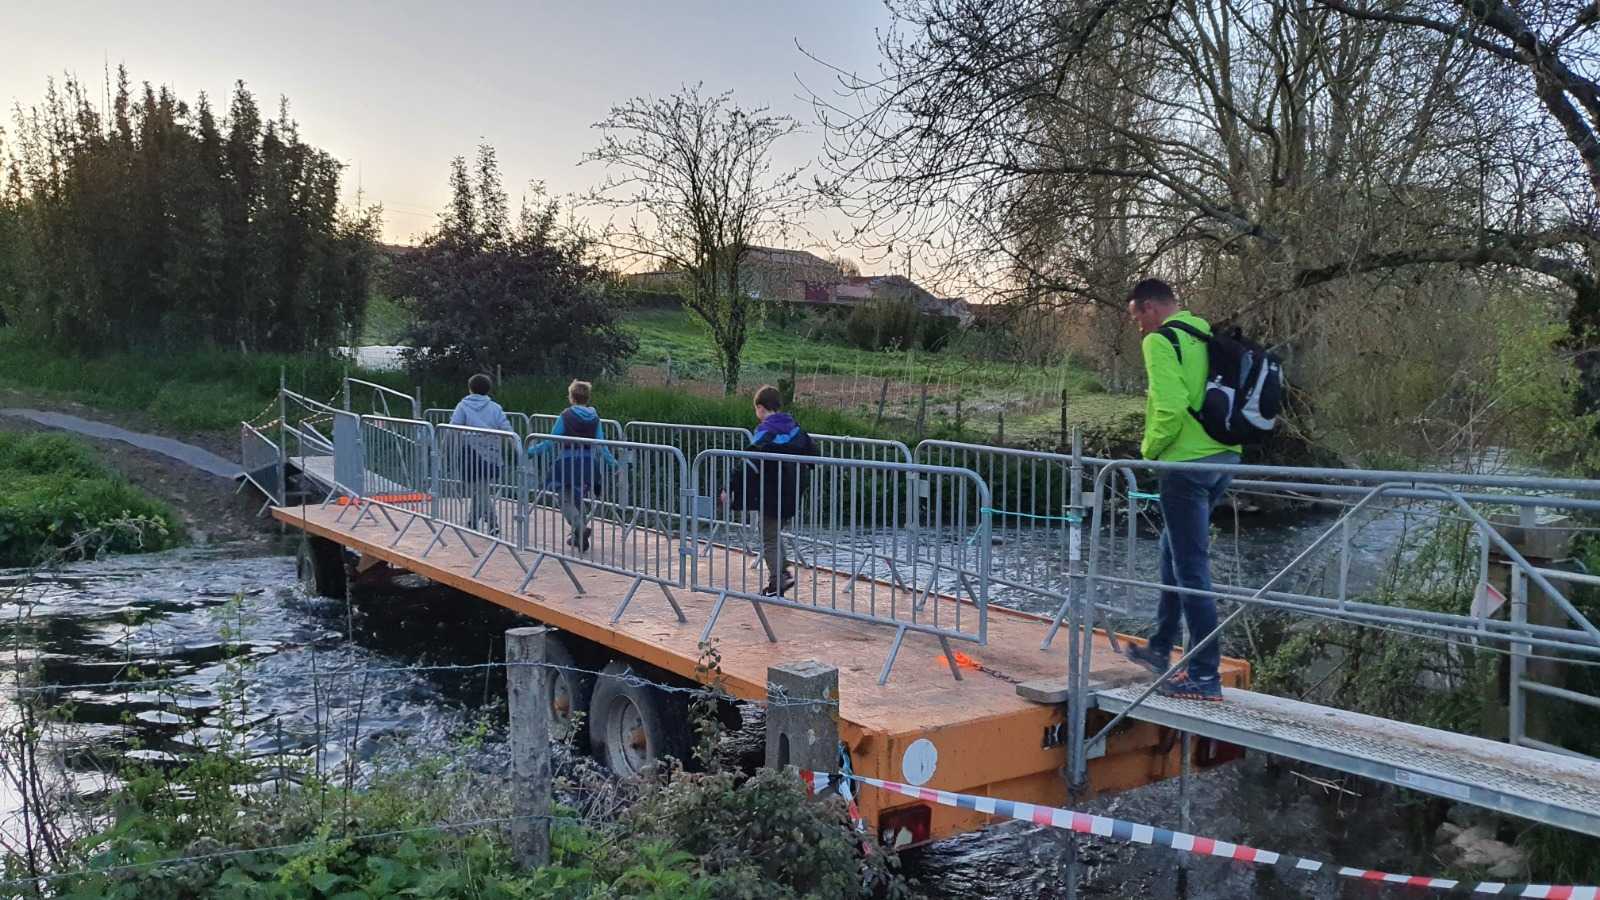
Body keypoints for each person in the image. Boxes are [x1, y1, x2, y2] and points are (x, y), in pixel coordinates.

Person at [1123, 278, 1241, 701]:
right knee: (1172, 552)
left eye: (1137, 315)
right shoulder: (1205, 335)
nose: (1137, 325)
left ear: (1149, 307)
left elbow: (1170, 408)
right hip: (1225, 457)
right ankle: (1160, 647)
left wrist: (1149, 451)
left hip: (1185, 464)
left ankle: (1205, 675)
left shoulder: (1160, 342)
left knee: (1191, 566)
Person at [721, 385, 817, 597]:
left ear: (761, 408)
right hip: (792, 491)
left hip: (772, 491)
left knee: (768, 537)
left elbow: (749, 461)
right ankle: (782, 574)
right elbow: (813, 453)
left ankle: (778, 579)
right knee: (773, 533)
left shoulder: (765, 431)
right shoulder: (795, 427)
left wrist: (729, 487)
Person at [528, 380, 618, 552]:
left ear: (571, 397)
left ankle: (579, 527)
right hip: (588, 463)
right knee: (579, 499)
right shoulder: (595, 418)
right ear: (587, 397)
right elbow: (601, 444)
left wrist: (531, 451)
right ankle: (578, 537)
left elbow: (550, 441)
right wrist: (612, 463)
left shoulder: (566, 416)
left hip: (568, 463)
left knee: (565, 498)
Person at [449, 373, 515, 536]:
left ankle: (492, 522)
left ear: (470, 389)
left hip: (470, 451)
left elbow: (453, 427)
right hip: (492, 452)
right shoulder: (495, 407)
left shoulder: (463, 406)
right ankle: (472, 521)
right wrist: (515, 444)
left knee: (478, 490)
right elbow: (505, 427)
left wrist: (443, 448)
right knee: (481, 488)